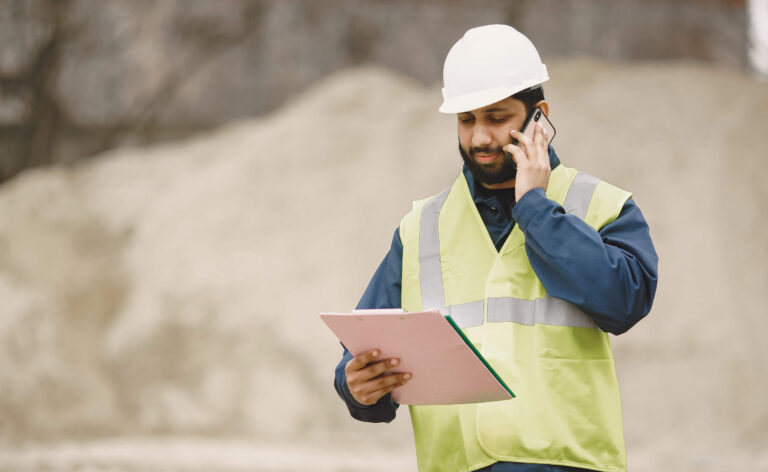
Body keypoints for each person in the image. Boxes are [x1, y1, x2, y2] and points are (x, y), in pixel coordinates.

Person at [333, 24, 658, 472]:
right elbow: (366, 346)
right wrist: (357, 387)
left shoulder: (601, 205)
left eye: (497, 117)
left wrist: (537, 209)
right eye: (467, 120)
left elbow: (625, 302)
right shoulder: (421, 227)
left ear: (538, 115)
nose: (480, 138)